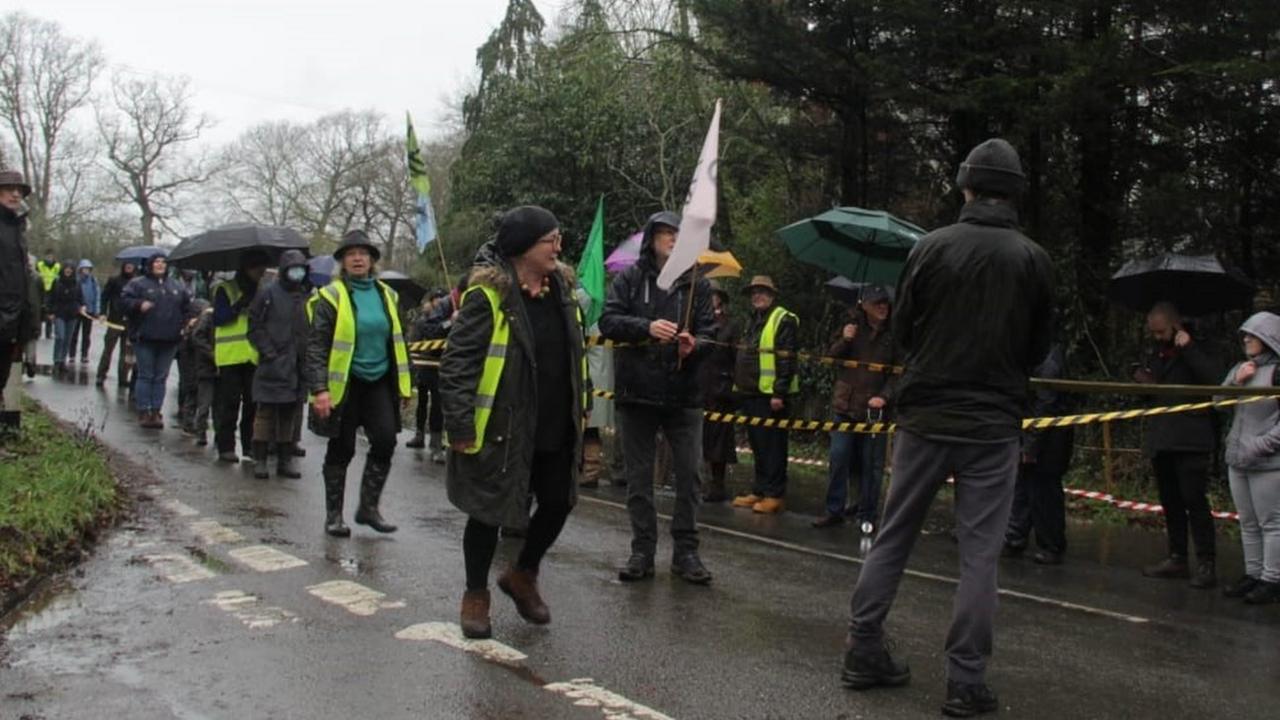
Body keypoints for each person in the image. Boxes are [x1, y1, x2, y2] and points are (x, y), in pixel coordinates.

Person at [842, 138, 1054, 717]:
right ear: (1013, 194)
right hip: (992, 423)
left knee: (894, 534)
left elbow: (906, 330)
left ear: (965, 187)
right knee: (980, 554)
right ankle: (965, 680)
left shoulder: (930, 248)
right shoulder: (1034, 259)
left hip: (926, 414)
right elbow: (1039, 345)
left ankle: (863, 647)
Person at [441, 206, 589, 640]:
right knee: (490, 511)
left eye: (558, 239)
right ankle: (475, 594)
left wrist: (582, 406)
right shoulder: (488, 297)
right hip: (502, 426)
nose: (558, 247)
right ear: (524, 246)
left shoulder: (562, 289)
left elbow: (575, 353)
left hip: (556, 422)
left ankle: (523, 573)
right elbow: (457, 366)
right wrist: (461, 426)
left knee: (560, 501)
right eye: (550, 239)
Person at [599, 210, 716, 584]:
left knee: (689, 475)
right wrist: (646, 328)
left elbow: (712, 335)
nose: (671, 238)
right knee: (638, 477)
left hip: (684, 395)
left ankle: (686, 552)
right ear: (651, 239)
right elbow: (608, 321)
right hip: (638, 393)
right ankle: (642, 550)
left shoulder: (698, 285)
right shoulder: (630, 279)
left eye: (677, 234)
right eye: (665, 233)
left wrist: (692, 348)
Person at [306, 229, 412, 537]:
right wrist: (320, 389)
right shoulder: (331, 296)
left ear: (372, 260)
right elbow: (316, 346)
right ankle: (334, 516)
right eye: (351, 254)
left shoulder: (388, 295)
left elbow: (399, 342)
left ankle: (368, 508)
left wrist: (405, 386)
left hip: (378, 381)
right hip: (344, 384)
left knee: (385, 440)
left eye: (363, 253)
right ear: (342, 261)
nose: (357, 258)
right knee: (342, 448)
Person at [1133, 302, 1221, 588]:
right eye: (1154, 332)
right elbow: (1154, 387)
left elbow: (1213, 381)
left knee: (1194, 501)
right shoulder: (1155, 351)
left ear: (1175, 324)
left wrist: (1189, 347)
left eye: (1161, 331)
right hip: (1163, 437)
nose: (1157, 336)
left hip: (1191, 437)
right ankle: (1177, 557)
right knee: (1170, 502)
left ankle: (1207, 562)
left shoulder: (1201, 345)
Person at [813, 286, 895, 532]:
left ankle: (867, 514)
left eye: (886, 303)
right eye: (878, 302)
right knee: (838, 459)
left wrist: (884, 397)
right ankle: (833, 510)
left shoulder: (895, 334)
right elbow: (830, 357)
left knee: (873, 465)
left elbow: (900, 372)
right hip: (845, 407)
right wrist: (845, 339)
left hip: (876, 411)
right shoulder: (851, 327)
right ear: (864, 304)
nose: (883, 307)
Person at [1220, 312, 1280, 605]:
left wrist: (1263, 445)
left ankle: (1272, 579)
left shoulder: (1277, 373)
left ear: (1268, 339)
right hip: (1238, 459)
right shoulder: (1240, 368)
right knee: (1247, 521)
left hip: (1268, 462)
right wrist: (1236, 382)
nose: (1246, 339)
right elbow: (1217, 401)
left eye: (1252, 335)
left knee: (1271, 522)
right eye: (1245, 335)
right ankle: (1252, 574)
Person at [731, 275, 799, 514]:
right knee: (758, 445)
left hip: (772, 396)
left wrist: (779, 391)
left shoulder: (783, 319)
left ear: (772, 295)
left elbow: (787, 357)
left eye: (762, 291)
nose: (757, 296)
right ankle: (760, 489)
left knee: (773, 446)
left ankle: (774, 493)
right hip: (752, 393)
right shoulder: (753, 320)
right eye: (754, 292)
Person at [1003, 343, 1073, 565]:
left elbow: (1046, 405)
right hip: (1032, 432)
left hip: (1050, 439)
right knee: (1023, 486)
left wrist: (1031, 445)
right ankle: (1015, 536)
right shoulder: (1034, 356)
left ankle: (1051, 544)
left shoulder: (1048, 363)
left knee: (1045, 491)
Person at [247, 250, 310, 480]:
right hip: (272, 363)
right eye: (293, 269)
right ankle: (261, 460)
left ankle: (285, 461)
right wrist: (269, 352)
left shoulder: (303, 296)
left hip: (296, 364)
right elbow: (254, 327)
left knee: (288, 415)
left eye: (301, 269)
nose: (297, 274)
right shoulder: (267, 294)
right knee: (265, 414)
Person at [120, 253, 192, 429]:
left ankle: (156, 411)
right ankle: (144, 410)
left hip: (170, 339)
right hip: (145, 337)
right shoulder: (138, 283)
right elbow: (123, 301)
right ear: (151, 265)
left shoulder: (176, 286)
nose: (160, 265)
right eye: (157, 262)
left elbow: (187, 307)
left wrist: (187, 322)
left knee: (161, 377)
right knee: (146, 375)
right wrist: (138, 305)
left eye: (163, 262)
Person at [212, 249, 268, 463]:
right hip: (230, 356)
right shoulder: (225, 289)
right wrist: (240, 305)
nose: (260, 272)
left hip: (253, 355)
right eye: (257, 268)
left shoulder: (263, 291)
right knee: (229, 403)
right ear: (247, 267)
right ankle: (225, 446)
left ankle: (249, 446)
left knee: (252, 404)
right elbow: (219, 318)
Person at [699, 280, 739, 502]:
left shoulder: (730, 326)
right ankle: (701, 481)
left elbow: (736, 358)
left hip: (721, 388)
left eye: (712, 295)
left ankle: (718, 484)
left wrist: (731, 384)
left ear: (720, 299)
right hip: (701, 387)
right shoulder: (699, 322)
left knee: (720, 440)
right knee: (701, 436)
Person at [0, 170, 33, 412]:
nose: (15, 194)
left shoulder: (18, 227)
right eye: (9, 189)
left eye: (19, 191)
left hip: (14, 317)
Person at [405, 290, 451, 463]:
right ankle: (419, 434)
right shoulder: (425, 319)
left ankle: (436, 442)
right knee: (422, 401)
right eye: (436, 300)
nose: (438, 303)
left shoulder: (449, 316)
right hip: (424, 366)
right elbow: (427, 334)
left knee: (438, 405)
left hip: (440, 368)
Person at [178, 299, 216, 445]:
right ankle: (192, 426)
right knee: (195, 394)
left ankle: (195, 426)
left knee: (200, 398)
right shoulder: (204, 321)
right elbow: (193, 342)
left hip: (204, 365)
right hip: (201, 366)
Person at [97, 261, 137, 389]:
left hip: (129, 322)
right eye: (127, 265)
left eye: (131, 265)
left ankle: (123, 378)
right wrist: (103, 313)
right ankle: (101, 375)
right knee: (108, 349)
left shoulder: (137, 283)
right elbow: (105, 297)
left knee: (125, 353)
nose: (129, 267)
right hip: (114, 320)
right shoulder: (114, 280)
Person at [48, 261, 85, 375]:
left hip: (72, 314)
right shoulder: (57, 282)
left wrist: (82, 307)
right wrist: (50, 312)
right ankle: (57, 360)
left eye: (70, 268)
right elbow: (50, 298)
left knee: (68, 339)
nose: (68, 270)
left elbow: (81, 298)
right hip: (59, 313)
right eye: (66, 268)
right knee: (60, 336)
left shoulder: (77, 283)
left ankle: (63, 360)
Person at [67, 260, 100, 364]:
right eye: (84, 268)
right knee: (74, 334)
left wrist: (96, 310)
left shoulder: (93, 281)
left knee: (86, 335)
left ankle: (84, 355)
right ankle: (72, 355)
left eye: (88, 269)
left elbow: (97, 296)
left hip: (89, 311)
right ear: (80, 269)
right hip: (77, 311)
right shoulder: (76, 281)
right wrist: (77, 307)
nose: (86, 271)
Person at [36, 250, 59, 340]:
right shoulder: (40, 265)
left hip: (52, 290)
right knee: (40, 310)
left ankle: (48, 333)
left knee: (49, 311)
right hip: (41, 289)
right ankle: (38, 331)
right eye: (48, 256)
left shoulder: (57, 266)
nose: (49, 258)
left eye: (51, 256)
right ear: (45, 256)